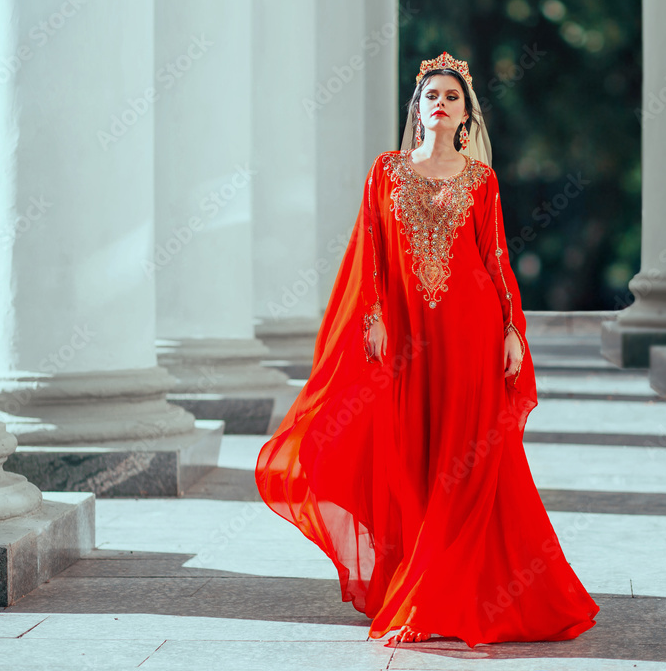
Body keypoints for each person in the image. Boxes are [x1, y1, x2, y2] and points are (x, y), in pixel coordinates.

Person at [255, 52, 599, 648]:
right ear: (416, 110)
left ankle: (438, 597)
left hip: (470, 332)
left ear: (467, 115)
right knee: (414, 458)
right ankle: (416, 584)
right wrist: (373, 316)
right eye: (431, 96)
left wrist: (513, 331)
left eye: (452, 98)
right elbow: (371, 253)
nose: (440, 104)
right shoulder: (386, 172)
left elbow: (495, 260)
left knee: (466, 462)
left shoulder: (480, 180)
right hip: (408, 337)